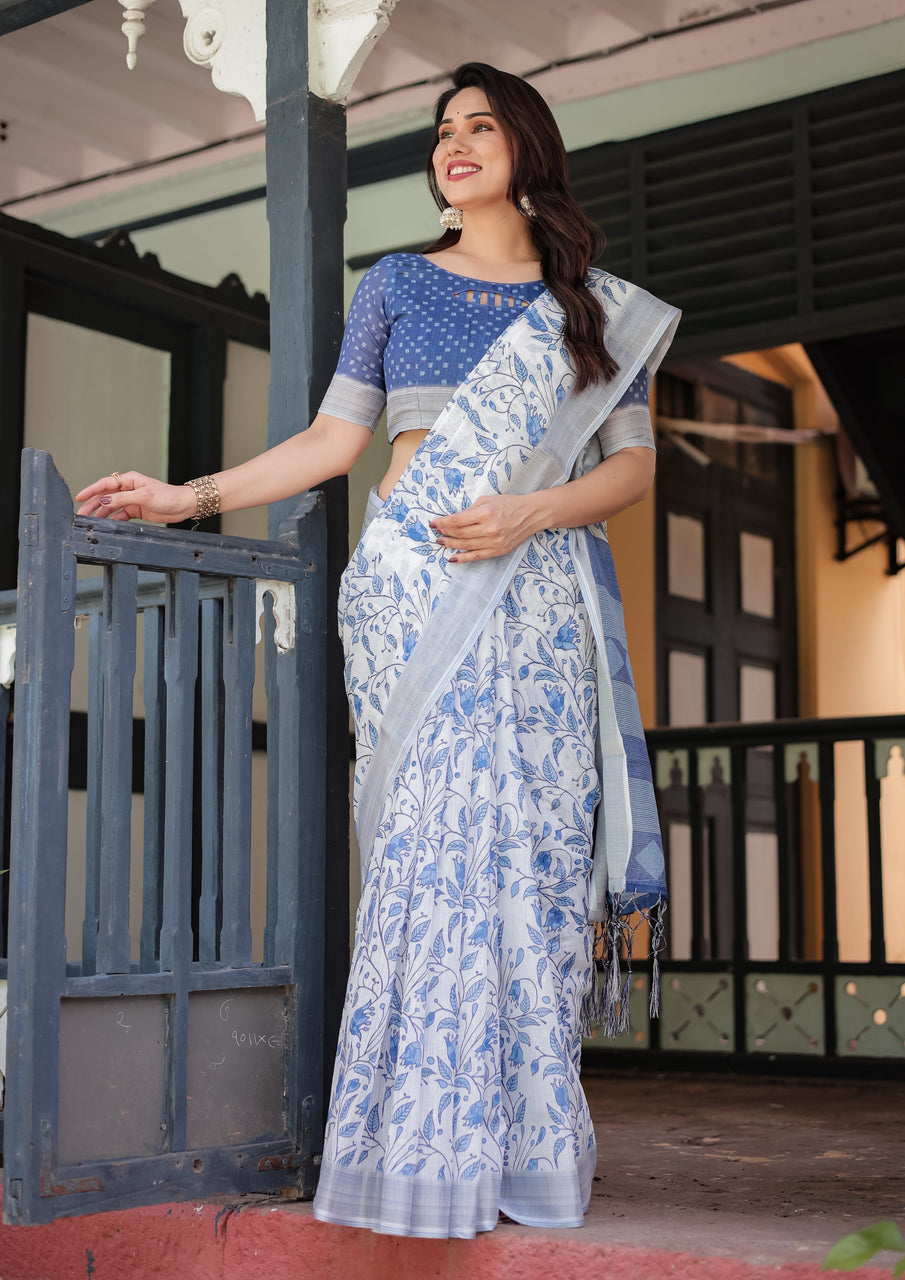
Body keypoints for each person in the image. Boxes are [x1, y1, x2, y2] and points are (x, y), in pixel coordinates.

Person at [76, 61, 679, 1240]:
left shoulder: (591, 308)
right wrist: (186, 495)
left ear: (528, 150)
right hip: (412, 592)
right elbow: (329, 440)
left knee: (535, 857)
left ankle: (519, 1147)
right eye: (442, 130)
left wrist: (525, 513)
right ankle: (418, 1149)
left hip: (537, 594)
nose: (454, 144)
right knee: (431, 855)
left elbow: (633, 468)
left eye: (480, 127)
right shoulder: (397, 282)